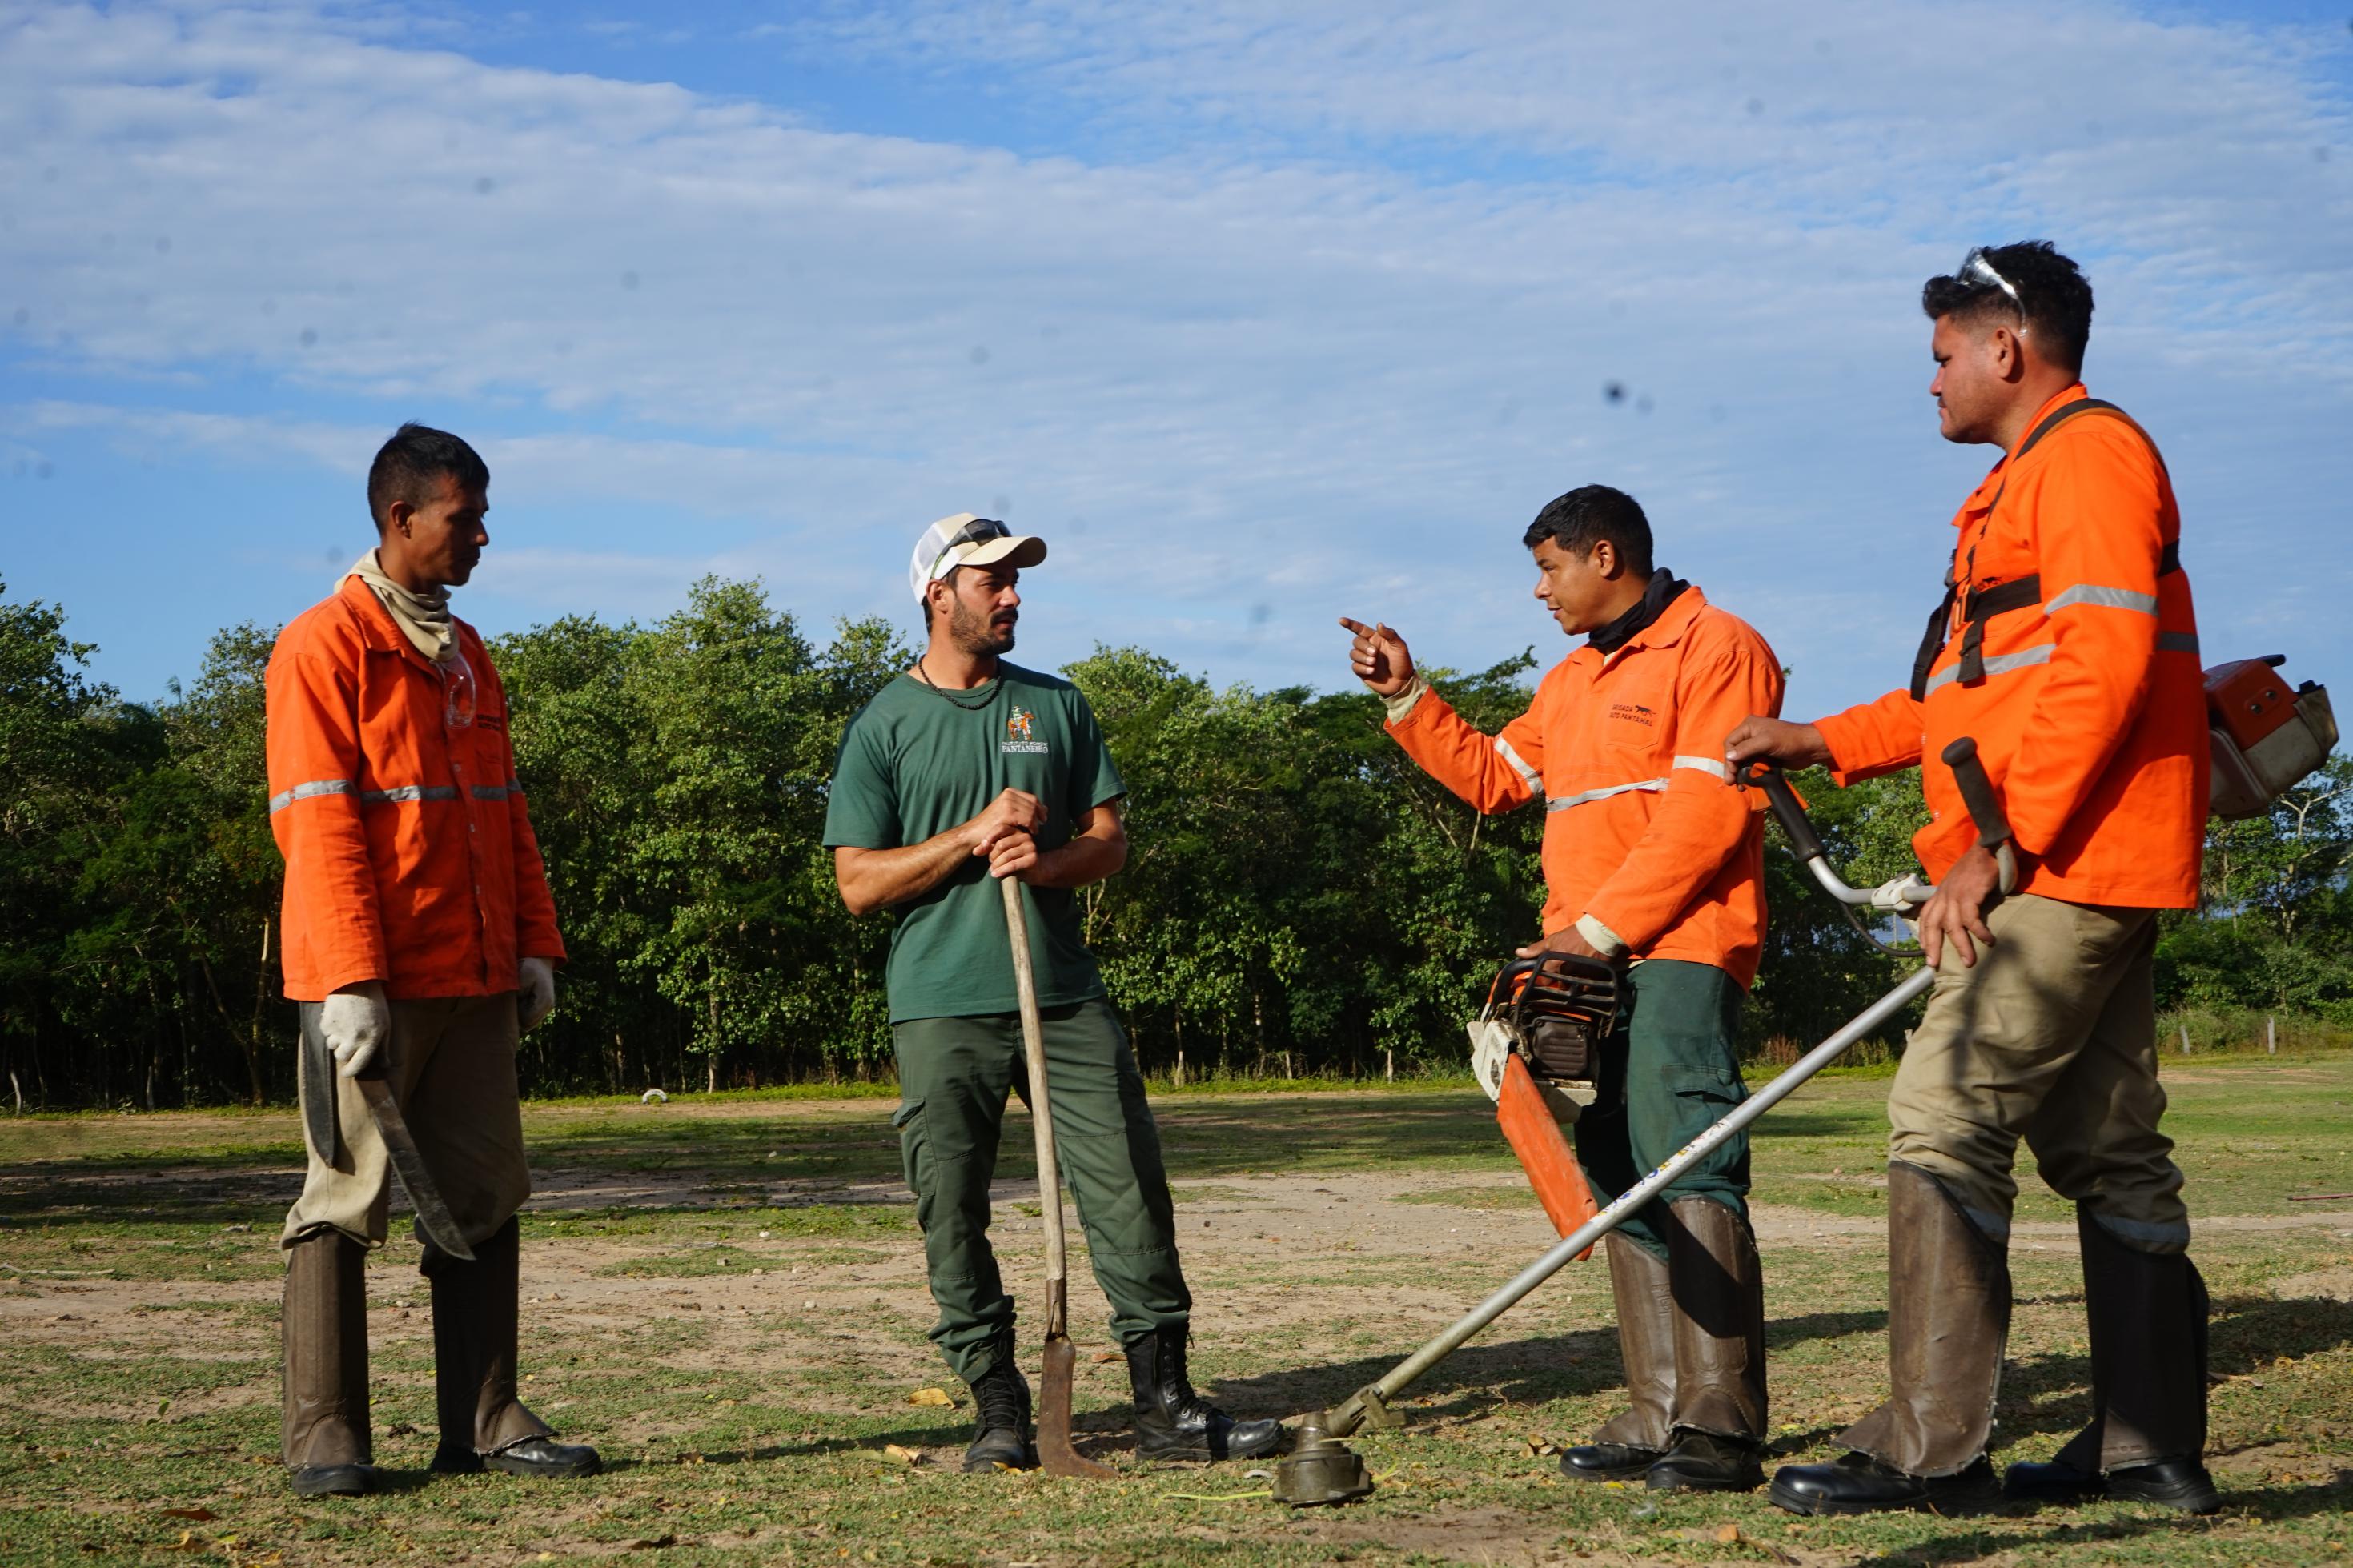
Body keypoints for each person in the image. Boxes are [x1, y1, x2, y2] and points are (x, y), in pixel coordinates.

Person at [1729, 241, 2215, 1517]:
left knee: (1941, 1116)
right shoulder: (2019, 487)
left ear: (2006, 345)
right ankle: (2145, 1450)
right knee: (2109, 1151)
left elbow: (2100, 669)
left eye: (1941, 353)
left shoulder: (2088, 459)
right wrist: (1825, 738)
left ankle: (1923, 1446)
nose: (1930, 377)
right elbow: (1966, 697)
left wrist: (1999, 848)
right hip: (2083, 858)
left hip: (2060, 864)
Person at [1341, 486, 1785, 1492]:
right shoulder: (1571, 679)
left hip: (1680, 944)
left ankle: (1720, 1425)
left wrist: (1594, 933)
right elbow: (1497, 776)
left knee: (1686, 1153)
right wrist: (1405, 697)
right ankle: (1657, 1408)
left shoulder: (1718, 646)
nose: (1538, 590)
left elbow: (1706, 821)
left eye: (1548, 569)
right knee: (1611, 1161)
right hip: (1579, 962)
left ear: (1602, 555)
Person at [823, 514, 1282, 1474]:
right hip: (941, 1001)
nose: (1012, 595)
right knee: (950, 1204)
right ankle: (996, 1402)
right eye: (991, 581)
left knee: (1126, 1191)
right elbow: (858, 884)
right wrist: (967, 835)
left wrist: (1046, 862)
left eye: (1014, 580)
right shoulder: (884, 726)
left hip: (1063, 996)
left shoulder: (1057, 706)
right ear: (936, 595)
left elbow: (1108, 842)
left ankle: (1163, 1404)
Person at [267, 423, 598, 1497]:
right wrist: (348, 977)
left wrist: (534, 946)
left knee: (486, 1192)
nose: (482, 537)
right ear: (400, 519)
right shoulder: (321, 647)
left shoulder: (468, 654)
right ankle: (327, 1436)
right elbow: (317, 828)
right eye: (464, 519)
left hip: (476, 978)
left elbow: (508, 818)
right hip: (371, 985)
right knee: (344, 1194)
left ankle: (487, 1418)